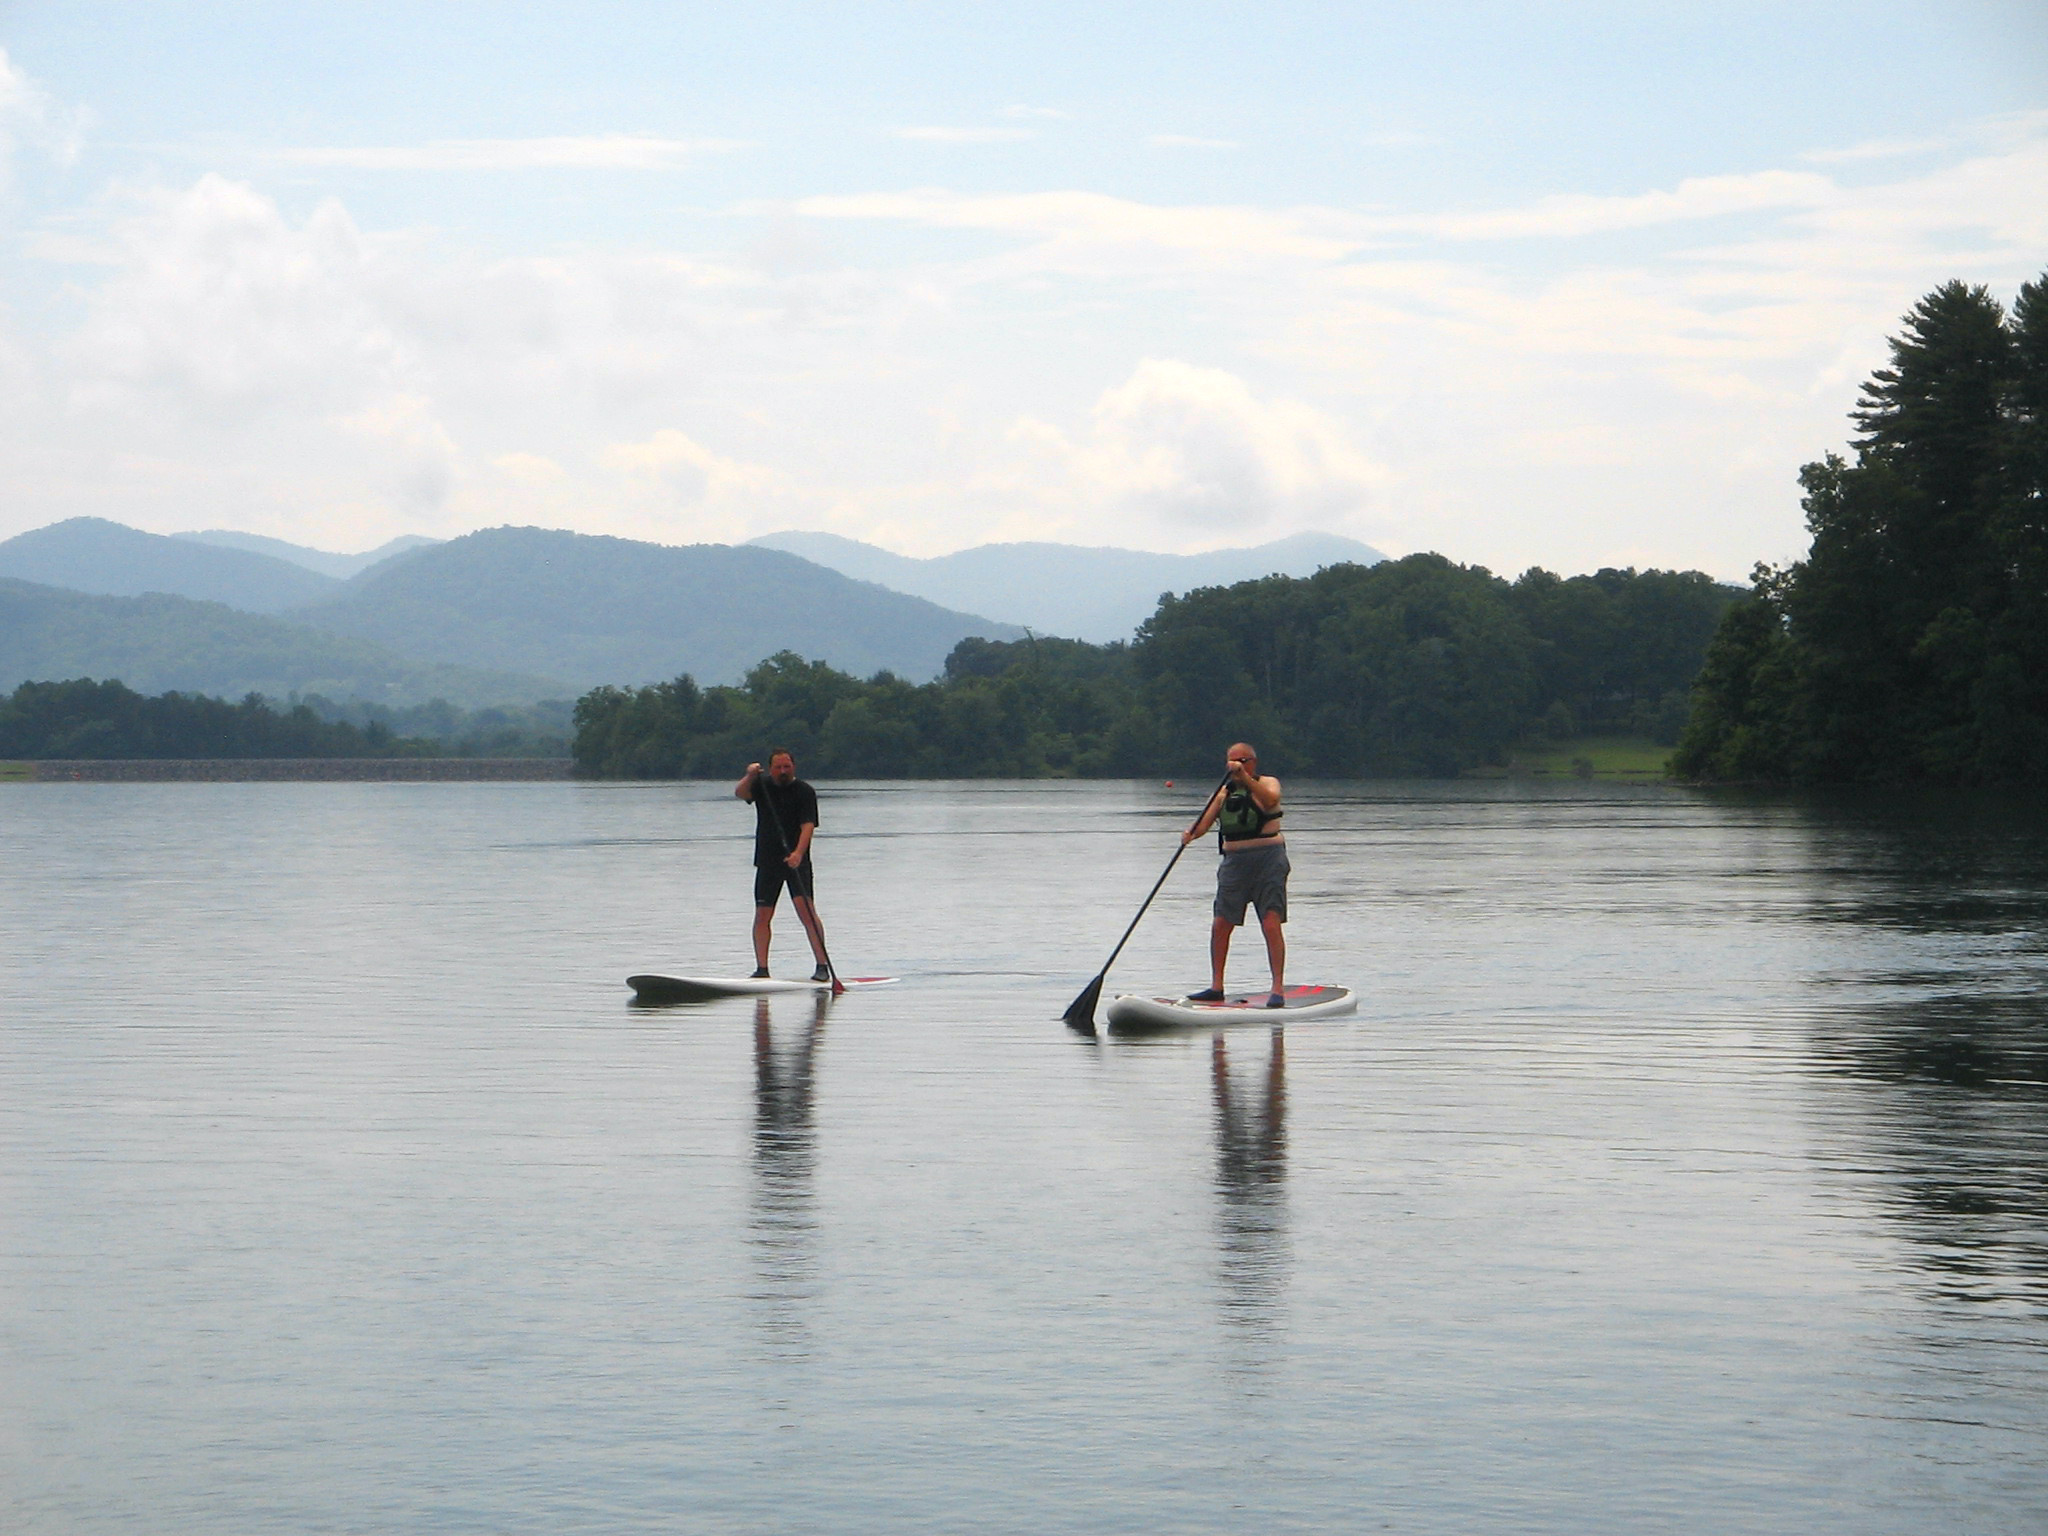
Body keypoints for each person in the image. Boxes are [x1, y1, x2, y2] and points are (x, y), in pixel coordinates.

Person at [1181, 741, 1288, 1007]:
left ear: (1253, 762)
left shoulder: (1268, 783)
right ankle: (1216, 986)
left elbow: (1270, 800)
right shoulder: (1222, 794)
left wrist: (1244, 778)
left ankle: (1277, 988)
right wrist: (1190, 834)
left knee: (1271, 922)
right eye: (1232, 761)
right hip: (1234, 863)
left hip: (1268, 860)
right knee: (1221, 923)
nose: (1236, 766)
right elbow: (1203, 825)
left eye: (1242, 761)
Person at [735, 750, 831, 981]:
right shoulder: (762, 786)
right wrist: (749, 775)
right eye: (778, 767)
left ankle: (822, 966)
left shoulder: (805, 792)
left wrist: (799, 853)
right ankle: (762, 969)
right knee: (762, 916)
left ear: (794, 767)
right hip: (768, 861)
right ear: (770, 769)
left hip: (797, 862)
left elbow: (808, 825)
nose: (783, 771)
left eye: (787, 766)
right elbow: (740, 793)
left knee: (806, 913)